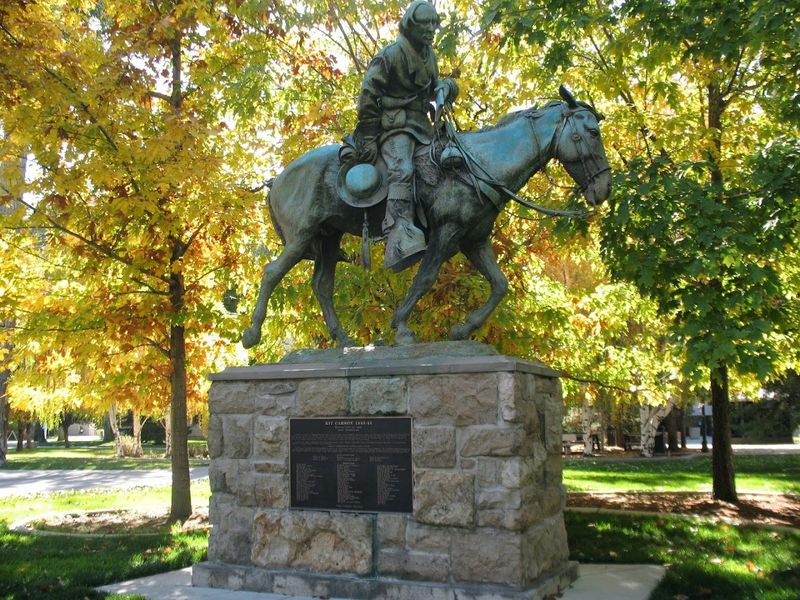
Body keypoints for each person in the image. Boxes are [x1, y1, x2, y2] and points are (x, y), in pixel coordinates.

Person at [353, 0, 458, 272]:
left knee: (450, 161)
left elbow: (434, 86)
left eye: (434, 24)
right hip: (395, 127)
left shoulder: (429, 55)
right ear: (411, 25)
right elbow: (368, 95)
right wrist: (367, 136)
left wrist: (446, 87)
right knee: (403, 170)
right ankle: (398, 235)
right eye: (425, 24)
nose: (431, 29)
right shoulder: (390, 56)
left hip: (422, 126)